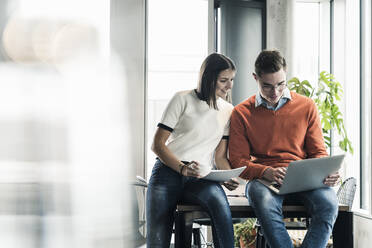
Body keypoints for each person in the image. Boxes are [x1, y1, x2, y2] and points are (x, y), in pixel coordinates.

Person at [228, 50, 340, 248]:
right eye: (267, 86)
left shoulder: (307, 106)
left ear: (285, 73)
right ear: (255, 78)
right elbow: (238, 161)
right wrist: (266, 171)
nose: (275, 92)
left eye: (281, 84)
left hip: (305, 179)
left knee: (329, 204)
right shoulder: (241, 113)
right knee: (263, 201)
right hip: (264, 181)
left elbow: (318, 152)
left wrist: (326, 171)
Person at [146, 53, 240, 248]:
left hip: (201, 177)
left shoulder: (228, 110)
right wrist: (181, 168)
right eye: (224, 80)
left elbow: (220, 156)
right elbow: (157, 144)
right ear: (208, 77)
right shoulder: (182, 99)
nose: (229, 86)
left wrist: (226, 176)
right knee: (158, 239)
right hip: (167, 173)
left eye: (231, 80)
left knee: (221, 208)